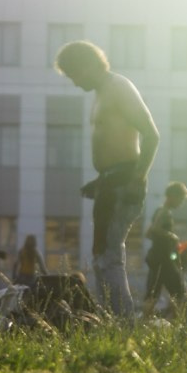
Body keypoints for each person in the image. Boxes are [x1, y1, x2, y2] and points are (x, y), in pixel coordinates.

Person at [54, 39, 160, 319]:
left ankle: (123, 326)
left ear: (88, 65)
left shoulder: (118, 87)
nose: (75, 83)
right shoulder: (101, 93)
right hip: (110, 182)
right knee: (101, 257)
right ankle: (112, 321)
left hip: (124, 182)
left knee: (110, 256)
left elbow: (151, 135)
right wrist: (101, 181)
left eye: (74, 75)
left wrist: (137, 179)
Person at [143, 182, 187, 316]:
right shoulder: (164, 212)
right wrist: (172, 236)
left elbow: (151, 234)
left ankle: (146, 323)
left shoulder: (162, 211)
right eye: (181, 199)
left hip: (158, 259)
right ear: (173, 196)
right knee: (180, 292)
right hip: (163, 261)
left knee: (152, 294)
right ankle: (178, 322)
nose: (181, 203)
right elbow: (151, 231)